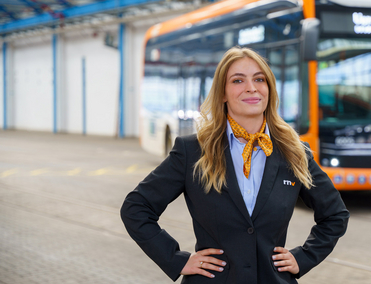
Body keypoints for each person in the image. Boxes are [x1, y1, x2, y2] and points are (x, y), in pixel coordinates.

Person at [120, 46, 349, 284]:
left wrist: (304, 257)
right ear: (223, 93)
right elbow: (136, 208)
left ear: (269, 89)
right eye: (238, 80)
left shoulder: (294, 152)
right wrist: (177, 260)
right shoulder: (193, 151)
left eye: (259, 79)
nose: (251, 87)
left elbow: (335, 215)